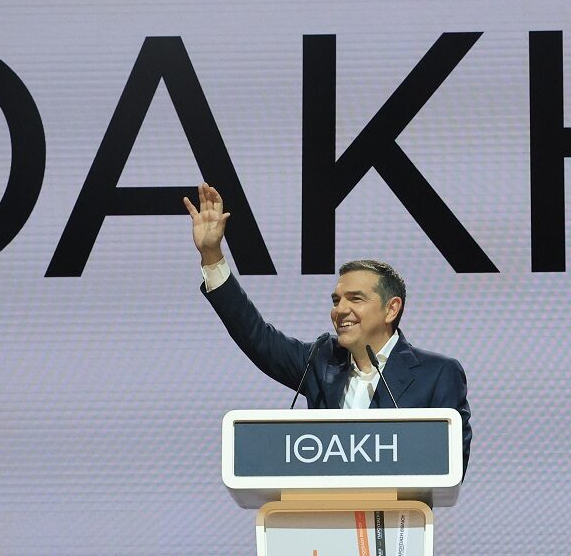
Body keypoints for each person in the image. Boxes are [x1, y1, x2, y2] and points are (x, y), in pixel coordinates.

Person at [184, 182, 472, 473]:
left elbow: (451, 465)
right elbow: (256, 336)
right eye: (336, 300)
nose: (340, 310)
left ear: (391, 309)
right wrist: (212, 256)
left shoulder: (437, 374)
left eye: (355, 299)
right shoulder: (321, 361)